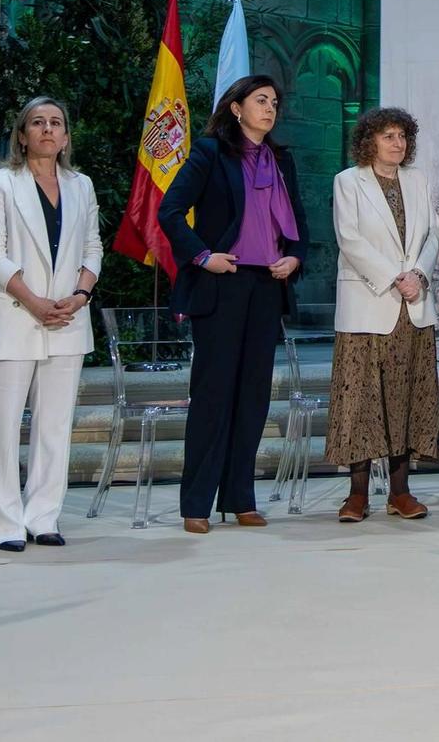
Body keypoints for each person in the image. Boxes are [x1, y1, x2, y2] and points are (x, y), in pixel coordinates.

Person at [159, 74, 308, 534]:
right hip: (222, 283)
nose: (270, 108)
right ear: (237, 108)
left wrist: (295, 258)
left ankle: (240, 497)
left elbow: (299, 222)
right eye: (261, 100)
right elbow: (169, 211)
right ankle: (197, 503)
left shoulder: (281, 160)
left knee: (253, 396)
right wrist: (203, 256)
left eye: (275, 102)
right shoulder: (210, 152)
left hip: (267, 285)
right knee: (213, 394)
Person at [0, 96, 101, 552]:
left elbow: (93, 247)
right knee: (3, 427)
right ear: (22, 135)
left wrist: (80, 295)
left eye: (56, 123)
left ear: (66, 137)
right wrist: (33, 300)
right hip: (13, 317)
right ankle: (4, 525)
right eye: (37, 123)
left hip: (67, 319)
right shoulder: (0, 183)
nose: (47, 129)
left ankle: (42, 516)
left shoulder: (81, 185)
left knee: (54, 426)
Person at [328, 107, 439, 522]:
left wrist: (419, 275)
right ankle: (357, 494)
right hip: (368, 305)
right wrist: (395, 277)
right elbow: (350, 239)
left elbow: (434, 233)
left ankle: (400, 491)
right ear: (369, 141)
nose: (398, 143)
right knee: (360, 400)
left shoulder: (419, 181)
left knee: (404, 398)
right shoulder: (348, 181)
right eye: (389, 136)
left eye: (403, 136)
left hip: (412, 308)